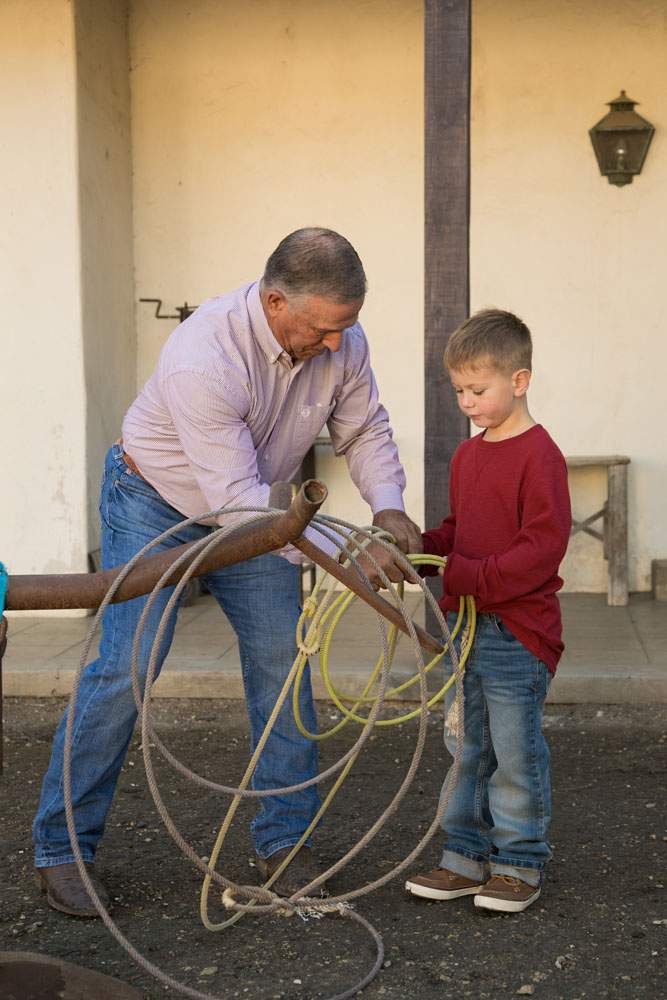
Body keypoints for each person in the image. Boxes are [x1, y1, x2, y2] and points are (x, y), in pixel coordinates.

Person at [34, 227, 423, 917]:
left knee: (283, 661)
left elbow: (362, 430)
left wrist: (388, 511)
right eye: (324, 328)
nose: (336, 343)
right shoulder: (201, 355)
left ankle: (284, 840)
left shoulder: (342, 340)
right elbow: (238, 511)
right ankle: (62, 848)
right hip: (155, 499)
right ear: (276, 301)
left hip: (258, 506)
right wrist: (346, 552)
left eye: (346, 327)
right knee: (129, 662)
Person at [405, 308, 571, 913]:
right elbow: (459, 531)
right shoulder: (467, 457)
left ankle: (520, 863)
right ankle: (465, 857)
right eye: (459, 391)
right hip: (467, 630)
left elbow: (540, 551)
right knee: (467, 747)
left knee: (514, 751)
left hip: (518, 633)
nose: (467, 403)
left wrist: (464, 575)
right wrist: (423, 554)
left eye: (478, 390)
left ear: (519, 381)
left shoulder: (540, 456)